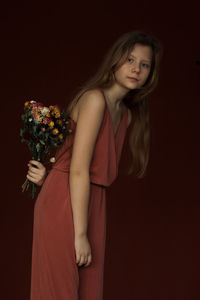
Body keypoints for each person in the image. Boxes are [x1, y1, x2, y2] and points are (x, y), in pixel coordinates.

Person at [27, 30, 163, 300]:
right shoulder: (94, 99)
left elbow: (80, 163)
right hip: (68, 205)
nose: (136, 69)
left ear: (151, 72)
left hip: (91, 203)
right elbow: (77, 170)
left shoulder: (125, 114)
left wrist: (52, 178)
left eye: (144, 64)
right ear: (115, 61)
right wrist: (80, 233)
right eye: (130, 60)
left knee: (89, 293)